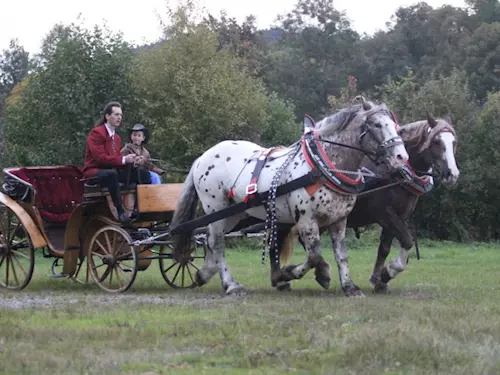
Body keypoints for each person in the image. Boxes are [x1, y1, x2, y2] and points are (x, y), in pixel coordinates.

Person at [83, 101, 151, 223]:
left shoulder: (117, 137)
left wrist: (133, 162)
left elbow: (117, 161)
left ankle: (138, 210)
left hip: (111, 172)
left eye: (120, 115)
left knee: (143, 174)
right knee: (111, 174)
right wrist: (124, 159)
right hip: (93, 173)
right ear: (107, 116)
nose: (119, 117)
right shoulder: (97, 133)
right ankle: (120, 212)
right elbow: (100, 158)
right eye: (116, 114)